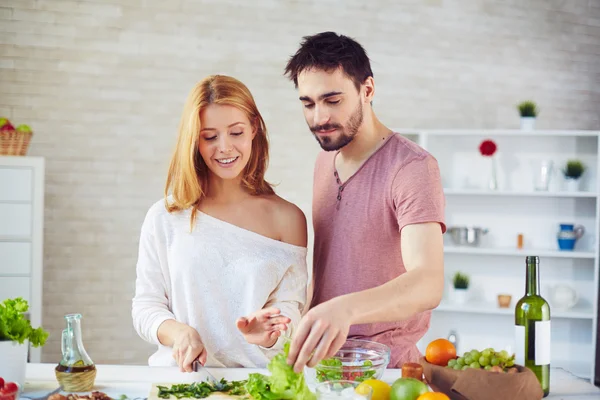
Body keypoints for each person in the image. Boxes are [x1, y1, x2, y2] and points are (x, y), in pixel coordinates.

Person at [283, 32, 446, 373]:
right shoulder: (324, 162)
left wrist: (345, 309)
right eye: (308, 103)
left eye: (332, 100)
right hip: (325, 367)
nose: (319, 118)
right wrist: (294, 317)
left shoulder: (412, 167)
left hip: (385, 369)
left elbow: (428, 282)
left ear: (367, 90)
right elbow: (334, 269)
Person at [132, 75, 309, 372]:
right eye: (210, 137)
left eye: (236, 132)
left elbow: (293, 310)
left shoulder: (288, 219)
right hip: (183, 381)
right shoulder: (165, 217)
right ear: (194, 140)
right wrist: (180, 333)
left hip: (256, 383)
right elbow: (145, 306)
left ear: (254, 128)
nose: (225, 148)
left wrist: (267, 335)